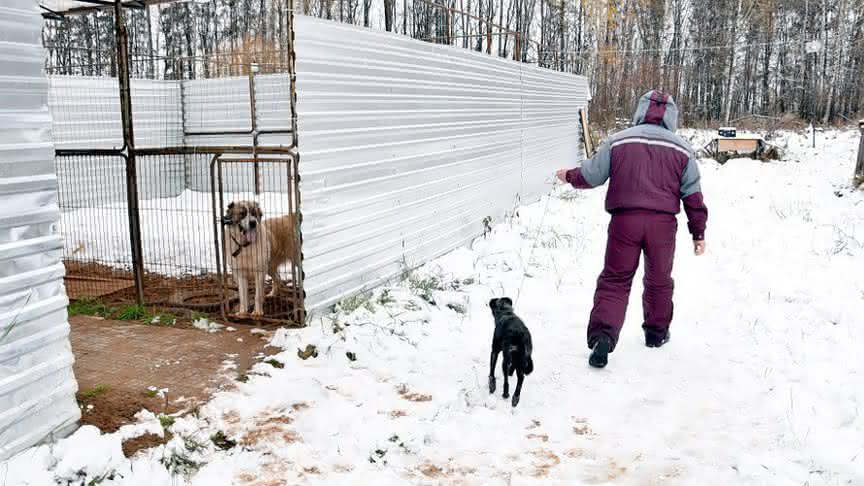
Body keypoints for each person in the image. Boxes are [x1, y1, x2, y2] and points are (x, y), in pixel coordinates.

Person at [555, 90, 708, 369]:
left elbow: (591, 175)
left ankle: (603, 336)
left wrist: (569, 176)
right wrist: (698, 232)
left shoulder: (619, 141)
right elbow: (693, 195)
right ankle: (656, 334)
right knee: (659, 280)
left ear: (640, 111)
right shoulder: (682, 149)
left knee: (615, 279)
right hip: (662, 227)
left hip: (624, 222)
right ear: (672, 116)